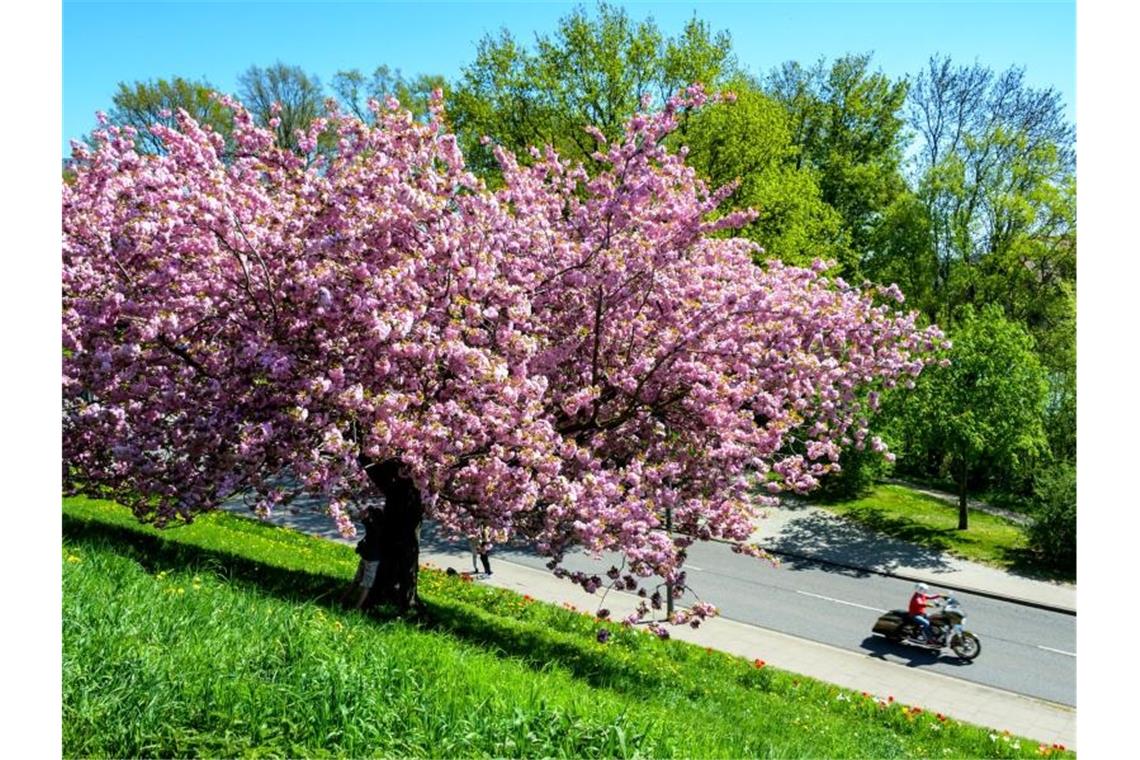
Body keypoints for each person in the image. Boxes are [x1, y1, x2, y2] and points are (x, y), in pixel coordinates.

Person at [343, 506, 384, 610]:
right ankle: (356, 606)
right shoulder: (382, 529)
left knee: (358, 581)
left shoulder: (370, 526)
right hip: (373, 559)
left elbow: (361, 517)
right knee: (366, 585)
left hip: (367, 557)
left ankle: (345, 600)